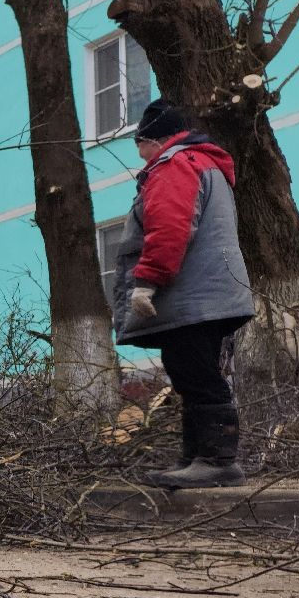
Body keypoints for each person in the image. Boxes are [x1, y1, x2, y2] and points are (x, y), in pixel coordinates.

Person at [110, 100, 254, 488]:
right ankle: (198, 459)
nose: (139, 158)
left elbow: (170, 228)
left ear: (154, 140)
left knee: (196, 374)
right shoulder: (204, 166)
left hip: (195, 297)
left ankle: (217, 461)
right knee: (190, 372)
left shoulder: (175, 165)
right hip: (210, 294)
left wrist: (147, 282)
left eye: (140, 146)